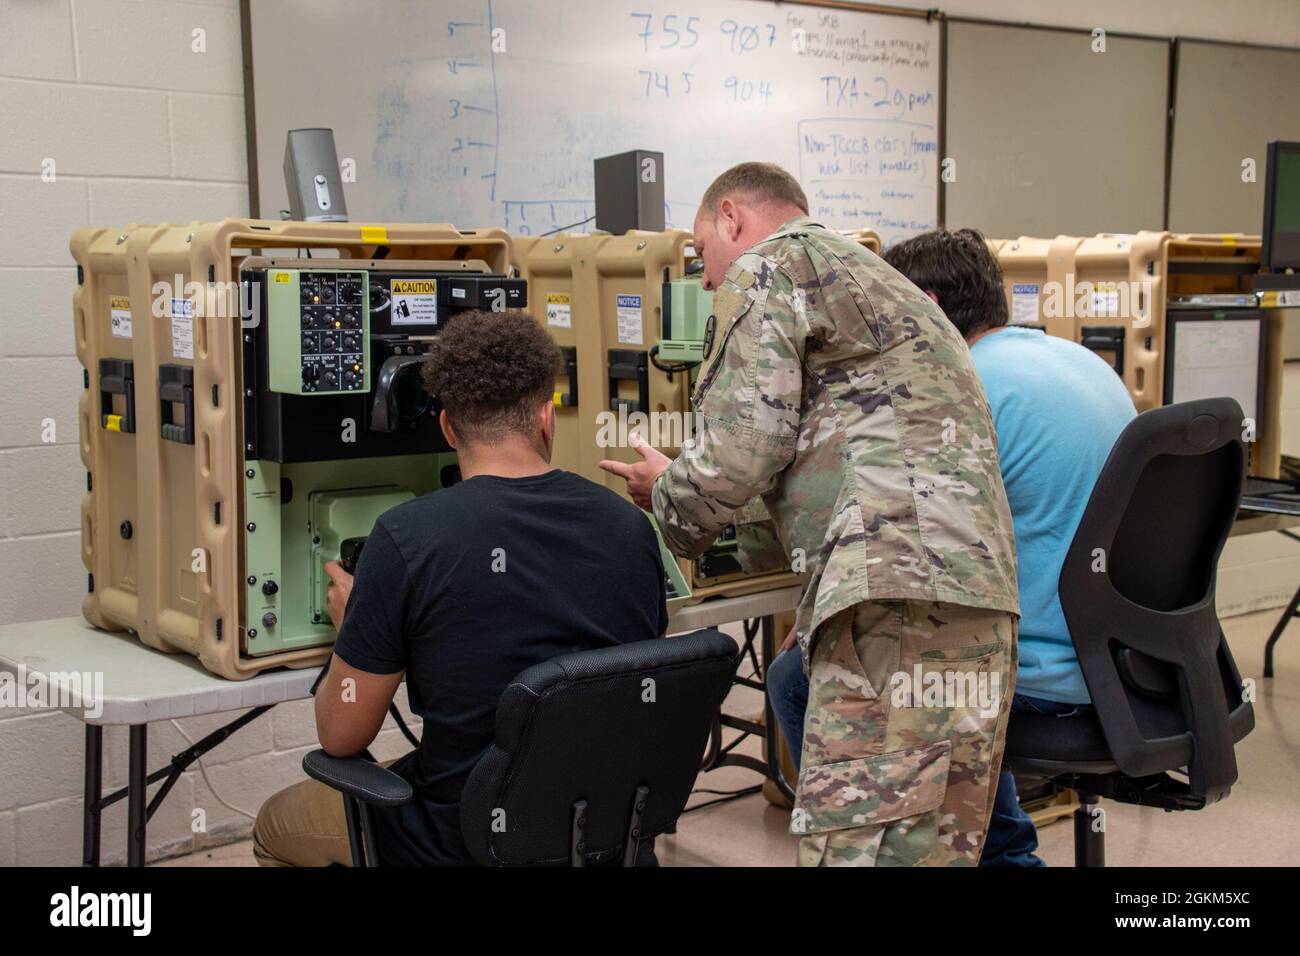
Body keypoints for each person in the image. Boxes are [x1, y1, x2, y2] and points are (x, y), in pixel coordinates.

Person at [601, 163, 1020, 867]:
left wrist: (667, 494)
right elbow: (825, 453)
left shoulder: (770, 267)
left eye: (705, 255)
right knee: (931, 850)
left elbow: (745, 448)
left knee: (855, 847)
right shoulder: (874, 279)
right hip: (974, 600)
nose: (706, 282)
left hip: (893, 599)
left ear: (732, 218)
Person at [766, 228, 1137, 866]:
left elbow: (886, 542)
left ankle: (929, 849)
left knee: (798, 678)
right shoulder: (1081, 363)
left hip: (1047, 673)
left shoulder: (958, 391)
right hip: (1130, 663)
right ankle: (1007, 852)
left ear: (928, 308)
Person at [254, 309, 670, 866]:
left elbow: (341, 738)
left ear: (447, 427)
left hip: (459, 840)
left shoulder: (407, 537)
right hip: (602, 835)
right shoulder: (630, 528)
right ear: (548, 418)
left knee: (275, 824)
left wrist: (355, 626)